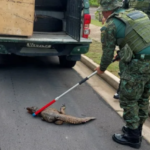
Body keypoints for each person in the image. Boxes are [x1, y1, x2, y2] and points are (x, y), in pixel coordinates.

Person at [95, 0, 150, 148]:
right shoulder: (137, 14)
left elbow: (107, 54)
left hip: (137, 65)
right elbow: (140, 39)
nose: (103, 14)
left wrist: (101, 69)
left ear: (108, 10)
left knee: (129, 99)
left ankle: (133, 137)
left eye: (103, 11)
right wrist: (123, 52)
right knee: (143, 98)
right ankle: (136, 129)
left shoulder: (110, 25)